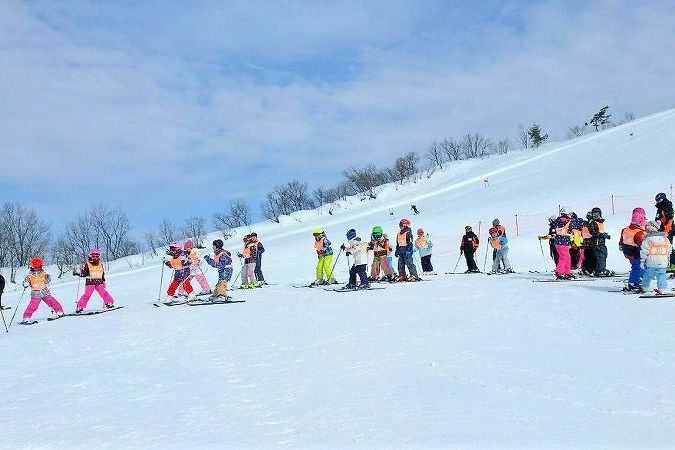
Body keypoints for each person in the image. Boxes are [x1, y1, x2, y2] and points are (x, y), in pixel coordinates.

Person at [21, 257, 65, 323]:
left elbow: (48, 280)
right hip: (35, 293)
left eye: (40, 266)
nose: (38, 268)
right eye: (37, 267)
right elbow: (25, 283)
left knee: (52, 301)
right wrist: (26, 283)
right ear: (33, 266)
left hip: (45, 291)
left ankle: (59, 312)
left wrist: (47, 278)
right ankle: (26, 317)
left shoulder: (44, 273)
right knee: (33, 306)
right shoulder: (29, 275)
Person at [73, 248, 116, 313]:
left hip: (99, 282)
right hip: (90, 282)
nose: (95, 258)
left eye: (97, 256)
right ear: (90, 256)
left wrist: (103, 281)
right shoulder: (87, 264)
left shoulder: (100, 264)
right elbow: (84, 274)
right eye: (93, 256)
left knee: (104, 293)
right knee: (87, 295)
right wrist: (79, 271)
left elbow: (102, 273)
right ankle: (80, 306)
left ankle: (109, 303)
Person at [640, 221, 672, 295]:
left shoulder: (648, 240)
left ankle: (645, 287)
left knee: (648, 275)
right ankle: (662, 288)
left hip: (651, 262)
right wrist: (667, 258)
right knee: (661, 275)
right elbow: (669, 250)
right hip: (663, 262)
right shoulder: (665, 239)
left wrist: (642, 261)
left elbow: (644, 251)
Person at [619, 208, 646, 291]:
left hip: (627, 252)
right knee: (637, 267)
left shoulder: (625, 229)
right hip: (636, 253)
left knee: (639, 266)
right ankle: (633, 283)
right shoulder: (639, 232)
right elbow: (642, 244)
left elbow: (621, 240)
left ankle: (641, 278)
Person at [588, 207, 614, 276]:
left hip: (601, 242)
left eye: (597, 214)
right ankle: (600, 270)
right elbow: (593, 232)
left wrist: (605, 235)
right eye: (594, 214)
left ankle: (600, 268)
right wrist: (602, 235)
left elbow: (600, 231)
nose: (596, 215)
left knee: (604, 255)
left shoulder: (600, 222)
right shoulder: (593, 222)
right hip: (597, 243)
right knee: (601, 256)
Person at [654, 192, 675, 277]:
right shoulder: (661, 207)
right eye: (656, 200)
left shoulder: (666, 206)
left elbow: (669, 219)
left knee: (667, 248)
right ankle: (667, 264)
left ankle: (672, 264)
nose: (657, 201)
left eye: (659, 200)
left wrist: (666, 230)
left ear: (663, 199)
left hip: (667, 231)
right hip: (663, 231)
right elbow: (659, 218)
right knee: (664, 248)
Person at [551, 209, 573, 279]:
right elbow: (563, 222)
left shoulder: (560, 220)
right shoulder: (563, 220)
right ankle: (559, 273)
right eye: (569, 213)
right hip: (561, 242)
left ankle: (566, 272)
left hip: (563, 242)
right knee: (564, 257)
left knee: (567, 257)